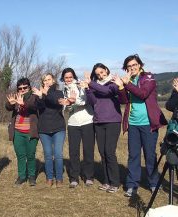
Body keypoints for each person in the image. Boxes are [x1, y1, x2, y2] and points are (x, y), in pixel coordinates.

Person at [114, 54, 167, 197]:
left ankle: (154, 182)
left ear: (140, 65)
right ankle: (132, 185)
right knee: (133, 155)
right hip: (133, 124)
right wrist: (120, 87)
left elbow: (143, 94)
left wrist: (127, 84)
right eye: (129, 66)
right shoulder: (128, 80)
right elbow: (124, 100)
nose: (132, 68)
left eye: (134, 65)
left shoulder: (148, 77)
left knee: (150, 155)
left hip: (148, 123)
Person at [85, 63, 122, 193]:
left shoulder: (113, 82)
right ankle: (106, 181)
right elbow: (93, 101)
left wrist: (91, 83)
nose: (100, 75)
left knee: (109, 152)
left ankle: (115, 182)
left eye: (102, 72)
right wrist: (87, 89)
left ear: (106, 70)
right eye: (97, 74)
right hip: (99, 122)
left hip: (113, 121)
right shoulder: (94, 86)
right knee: (102, 152)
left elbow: (107, 91)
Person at [59, 68, 94, 188]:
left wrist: (73, 101)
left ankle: (88, 176)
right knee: (73, 152)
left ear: (74, 77)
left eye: (70, 77)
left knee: (88, 150)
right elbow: (67, 110)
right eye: (66, 77)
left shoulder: (80, 85)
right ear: (63, 79)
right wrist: (68, 105)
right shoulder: (63, 89)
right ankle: (74, 177)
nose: (68, 79)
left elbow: (85, 101)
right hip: (73, 123)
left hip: (87, 121)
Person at [32, 73, 66, 186]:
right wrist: (41, 96)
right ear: (43, 82)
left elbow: (56, 103)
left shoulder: (59, 92)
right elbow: (39, 107)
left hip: (58, 128)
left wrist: (46, 94)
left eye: (49, 79)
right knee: (47, 154)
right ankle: (49, 177)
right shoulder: (38, 94)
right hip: (44, 128)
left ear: (53, 80)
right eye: (45, 80)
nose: (47, 82)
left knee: (58, 154)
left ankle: (59, 178)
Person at [5, 78, 38, 186]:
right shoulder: (16, 97)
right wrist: (10, 103)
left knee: (31, 155)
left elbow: (33, 106)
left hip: (30, 131)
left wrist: (23, 103)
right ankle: (22, 176)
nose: (22, 90)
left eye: (25, 87)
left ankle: (32, 176)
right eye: (20, 88)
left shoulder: (34, 96)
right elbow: (8, 107)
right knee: (20, 155)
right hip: (17, 131)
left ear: (29, 87)